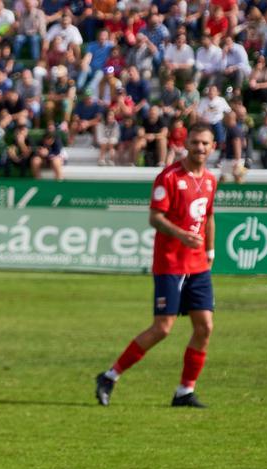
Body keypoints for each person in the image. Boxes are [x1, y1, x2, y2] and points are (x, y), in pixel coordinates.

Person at [96, 123, 219, 409]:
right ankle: (109, 376)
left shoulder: (211, 180)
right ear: (186, 144)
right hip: (171, 263)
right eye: (195, 142)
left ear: (212, 147)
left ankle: (185, 391)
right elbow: (155, 218)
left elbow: (209, 216)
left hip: (198, 264)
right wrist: (181, 234)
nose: (200, 148)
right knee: (163, 328)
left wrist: (210, 250)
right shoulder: (170, 177)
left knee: (205, 327)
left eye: (205, 143)